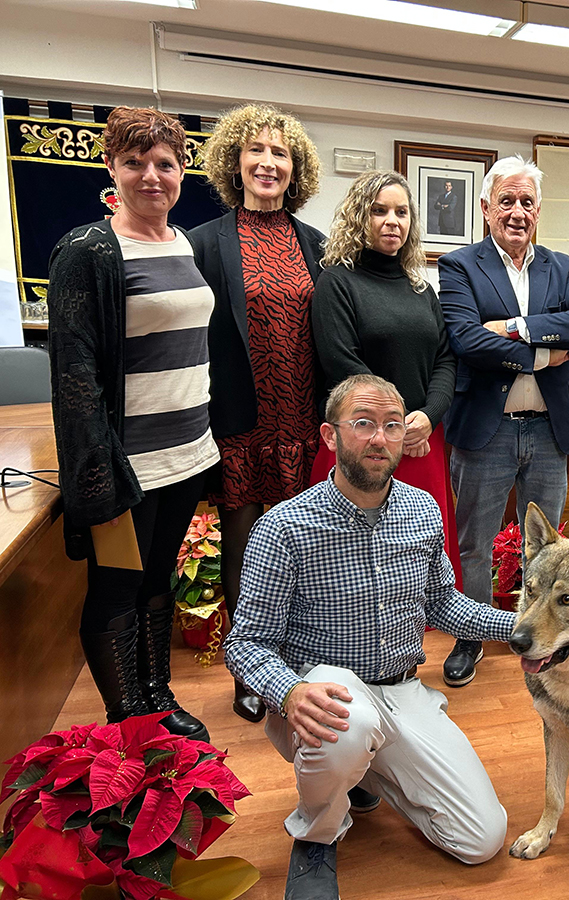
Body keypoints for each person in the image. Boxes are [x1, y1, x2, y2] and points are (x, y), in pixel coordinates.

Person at [224, 375, 514, 900]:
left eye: (391, 425)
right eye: (363, 424)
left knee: (481, 839)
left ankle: (364, 772)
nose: (379, 438)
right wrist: (288, 691)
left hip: (403, 691)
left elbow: (442, 604)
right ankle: (316, 836)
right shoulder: (284, 527)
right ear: (330, 436)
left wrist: (519, 628)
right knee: (350, 718)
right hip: (324, 694)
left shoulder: (422, 511)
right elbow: (245, 643)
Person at [47, 106, 215, 741]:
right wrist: (97, 471)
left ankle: (157, 693)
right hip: (127, 464)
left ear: (181, 173)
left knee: (155, 583)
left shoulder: (184, 244)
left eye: (165, 164)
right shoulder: (90, 250)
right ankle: (129, 719)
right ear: (112, 168)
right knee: (115, 590)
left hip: (188, 452)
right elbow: (75, 372)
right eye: (135, 162)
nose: (152, 176)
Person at [438, 155, 569, 687]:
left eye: (527, 202)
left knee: (546, 548)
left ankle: (543, 633)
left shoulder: (561, 266)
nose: (517, 211)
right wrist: (540, 354)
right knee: (473, 543)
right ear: (486, 209)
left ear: (538, 210)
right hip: (488, 430)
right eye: (506, 200)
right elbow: (465, 338)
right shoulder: (461, 266)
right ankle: (471, 636)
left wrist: (514, 326)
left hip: (548, 429)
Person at [191, 103, 325, 723]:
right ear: (234, 163)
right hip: (242, 417)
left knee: (308, 545)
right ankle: (250, 671)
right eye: (257, 151)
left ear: (294, 168)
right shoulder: (203, 244)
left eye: (281, 153)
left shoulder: (317, 245)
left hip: (304, 415)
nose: (268, 162)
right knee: (246, 548)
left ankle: (304, 657)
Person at [311, 170, 461, 586]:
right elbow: (343, 364)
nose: (391, 220)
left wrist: (429, 416)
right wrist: (392, 424)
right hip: (364, 443)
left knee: (421, 572)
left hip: (421, 442)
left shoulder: (420, 289)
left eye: (401, 212)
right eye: (379, 211)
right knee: (356, 574)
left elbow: (446, 360)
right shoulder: (336, 282)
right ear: (360, 216)